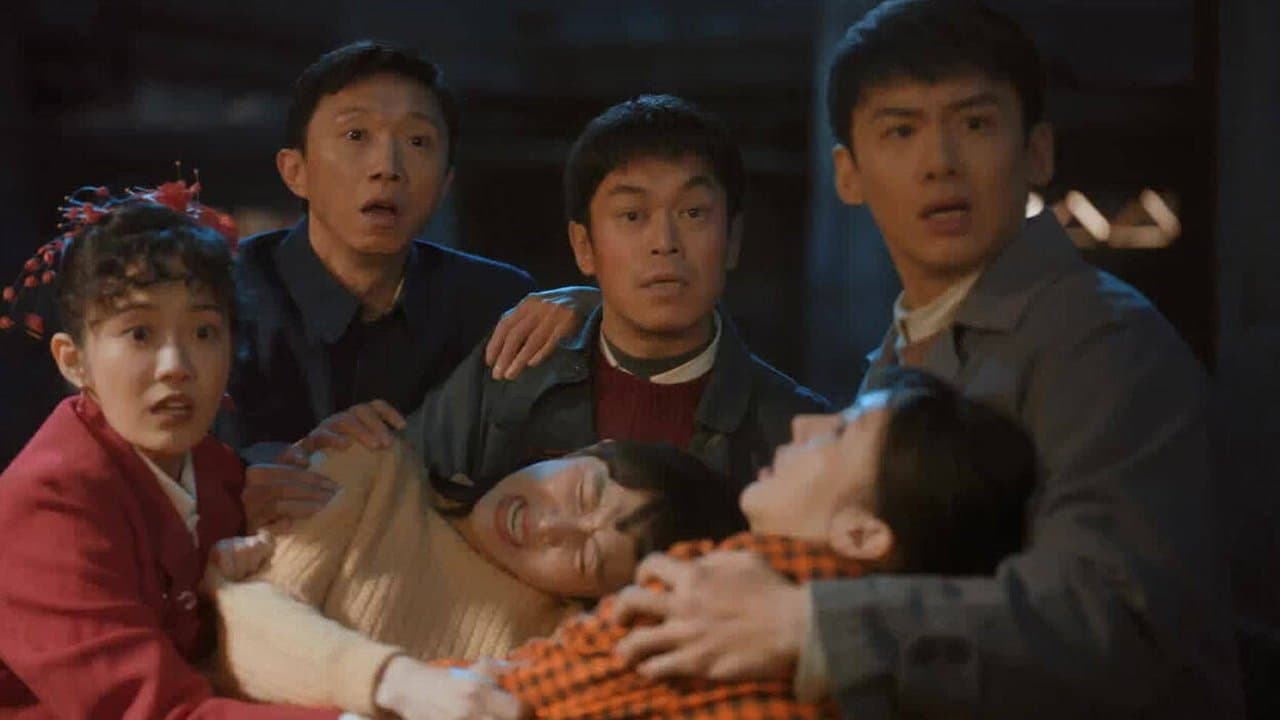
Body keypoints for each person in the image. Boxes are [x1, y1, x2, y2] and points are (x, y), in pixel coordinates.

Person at [609, 2, 1243, 717]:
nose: (939, 162)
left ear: (1037, 151)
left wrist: (809, 625)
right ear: (848, 173)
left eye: (975, 124)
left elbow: (1116, 616)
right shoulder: (906, 343)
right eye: (900, 130)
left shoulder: (1103, 342)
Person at [0, 193, 335, 718]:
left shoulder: (216, 470)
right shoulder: (45, 503)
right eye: (139, 333)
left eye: (204, 332)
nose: (176, 365)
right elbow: (153, 711)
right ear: (73, 360)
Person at [395, 93, 828, 497]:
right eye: (632, 215)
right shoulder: (512, 373)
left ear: (732, 240)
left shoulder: (802, 433)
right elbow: (389, 489)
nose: (664, 242)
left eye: (693, 212)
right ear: (584, 246)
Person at [205, 437, 745, 720]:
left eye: (586, 558)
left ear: (594, 598)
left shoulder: (550, 654)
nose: (549, 526)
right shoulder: (374, 463)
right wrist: (400, 685)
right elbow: (236, 636)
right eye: (582, 491)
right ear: (582, 451)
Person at [230, 40, 581, 461]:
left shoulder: (494, 302)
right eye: (356, 135)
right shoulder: (229, 291)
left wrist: (593, 315)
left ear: (445, 183)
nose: (387, 168)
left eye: (418, 141)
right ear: (295, 171)